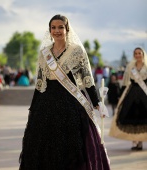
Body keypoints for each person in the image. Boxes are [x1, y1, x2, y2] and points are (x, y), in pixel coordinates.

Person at [19, 14, 110, 170]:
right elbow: (40, 83)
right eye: (53, 27)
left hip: (71, 104)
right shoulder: (44, 53)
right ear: (50, 30)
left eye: (60, 27)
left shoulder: (77, 51)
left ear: (67, 29)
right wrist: (33, 109)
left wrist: (97, 103)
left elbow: (87, 79)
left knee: (71, 149)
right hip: (46, 104)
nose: (57, 31)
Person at [109, 47, 147, 150]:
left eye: (139, 53)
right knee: (132, 118)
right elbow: (125, 82)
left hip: (144, 95)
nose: (138, 55)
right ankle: (135, 141)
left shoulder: (146, 66)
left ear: (143, 54)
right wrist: (120, 95)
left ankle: (140, 142)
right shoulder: (130, 67)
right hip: (132, 94)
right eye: (136, 53)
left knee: (142, 118)